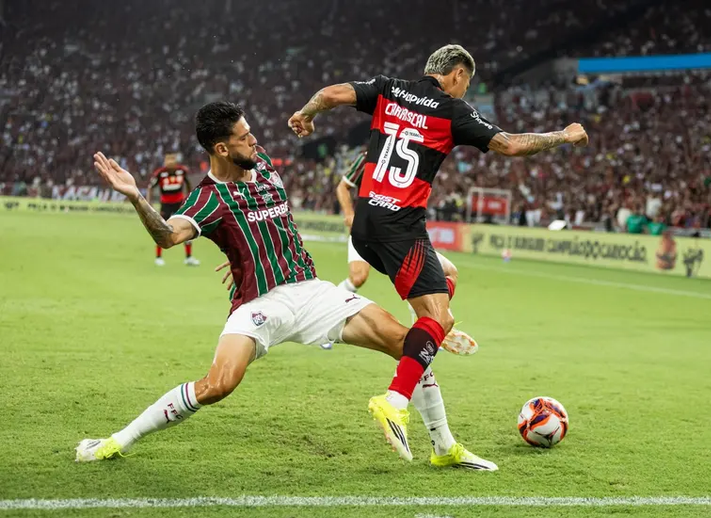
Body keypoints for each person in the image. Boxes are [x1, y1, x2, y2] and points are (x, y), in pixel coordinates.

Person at [75, 102, 496, 470]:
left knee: (409, 346)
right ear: (221, 149)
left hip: (314, 293)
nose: (255, 140)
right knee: (217, 385)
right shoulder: (207, 198)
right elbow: (168, 236)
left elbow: (266, 226)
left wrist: (247, 254)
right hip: (260, 305)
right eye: (244, 137)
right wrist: (135, 196)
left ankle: (444, 446)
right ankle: (116, 441)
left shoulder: (264, 166)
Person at [289, 44, 588, 460]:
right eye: (468, 81)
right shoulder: (452, 110)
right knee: (437, 317)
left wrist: (307, 113)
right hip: (401, 228)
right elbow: (511, 146)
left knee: (447, 279)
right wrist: (564, 135)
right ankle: (395, 401)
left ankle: (442, 432)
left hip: (366, 223)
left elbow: (331, 94)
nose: (466, 89)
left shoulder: (389, 89)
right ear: (458, 74)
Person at [332, 149, 477, 355]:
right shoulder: (372, 154)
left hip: (401, 236)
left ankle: (432, 327)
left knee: (435, 277)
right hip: (368, 227)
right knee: (358, 277)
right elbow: (343, 187)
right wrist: (349, 214)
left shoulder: (414, 157)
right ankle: (332, 319)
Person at [146, 153, 199, 266]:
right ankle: (158, 257)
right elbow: (150, 187)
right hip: (165, 204)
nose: (170, 162)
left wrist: (189, 198)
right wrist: (149, 203)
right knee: (161, 229)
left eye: (172, 159)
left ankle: (188, 257)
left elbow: (188, 184)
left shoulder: (182, 171)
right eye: (168, 160)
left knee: (187, 228)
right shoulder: (160, 173)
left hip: (179, 204)